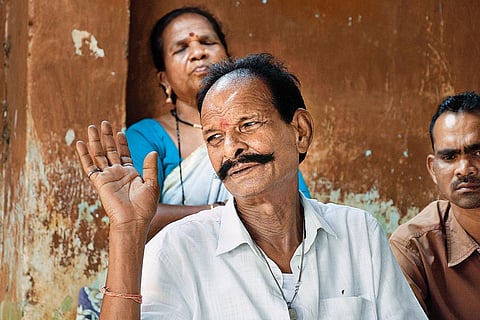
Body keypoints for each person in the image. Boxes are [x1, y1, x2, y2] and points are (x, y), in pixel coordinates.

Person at [76, 53, 426, 319]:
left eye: (249, 125)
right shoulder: (177, 250)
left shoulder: (358, 233)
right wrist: (126, 231)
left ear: (299, 131)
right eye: (214, 137)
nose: (231, 149)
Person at [126, 7, 311, 241]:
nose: (198, 53)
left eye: (207, 42)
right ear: (165, 80)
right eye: (181, 48)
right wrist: (221, 212)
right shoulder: (146, 137)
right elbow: (139, 216)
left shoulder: (265, 129)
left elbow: (296, 206)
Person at [389, 91, 480, 320]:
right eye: (449, 157)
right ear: (432, 168)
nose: (464, 168)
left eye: (478, 152)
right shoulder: (413, 247)